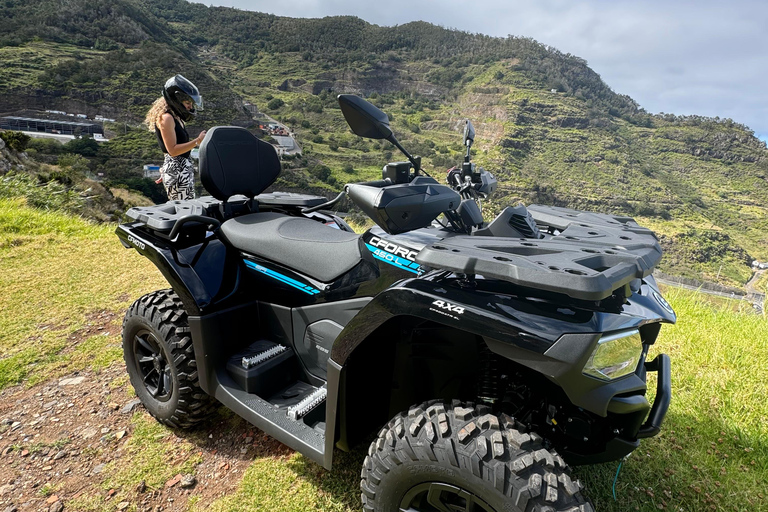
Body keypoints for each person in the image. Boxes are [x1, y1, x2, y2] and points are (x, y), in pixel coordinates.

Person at [144, 74, 206, 200]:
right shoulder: (167, 118)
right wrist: (197, 141)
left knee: (188, 208)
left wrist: (166, 167)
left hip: (180, 170)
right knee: (185, 210)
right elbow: (172, 150)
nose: (190, 107)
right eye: (188, 102)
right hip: (178, 173)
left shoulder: (176, 118)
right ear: (177, 100)